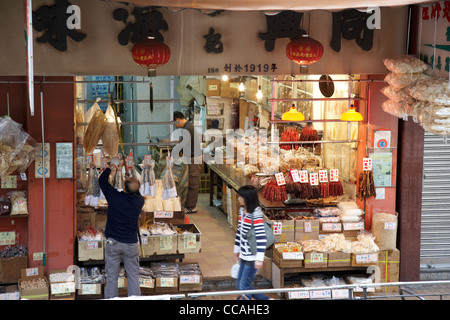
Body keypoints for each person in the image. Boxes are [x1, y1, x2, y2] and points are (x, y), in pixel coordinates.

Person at [98, 157, 145, 299]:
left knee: (111, 277)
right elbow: (134, 190)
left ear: (123, 188)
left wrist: (111, 168)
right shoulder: (139, 201)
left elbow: (102, 182)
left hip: (113, 242)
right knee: (133, 275)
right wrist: (129, 176)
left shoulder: (114, 197)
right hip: (131, 244)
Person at [233, 185, 270, 300]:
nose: (238, 198)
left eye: (241, 196)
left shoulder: (256, 214)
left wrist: (259, 258)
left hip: (252, 256)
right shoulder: (242, 211)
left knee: (243, 286)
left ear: (248, 198)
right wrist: (237, 249)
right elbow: (240, 232)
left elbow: (261, 237)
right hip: (244, 254)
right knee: (241, 284)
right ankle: (266, 300)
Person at [173, 111, 203, 214]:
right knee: (190, 181)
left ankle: (191, 207)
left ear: (177, 120)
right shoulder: (187, 127)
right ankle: (189, 205)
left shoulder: (188, 128)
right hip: (192, 158)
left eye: (175, 124)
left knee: (193, 183)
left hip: (195, 158)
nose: (175, 126)